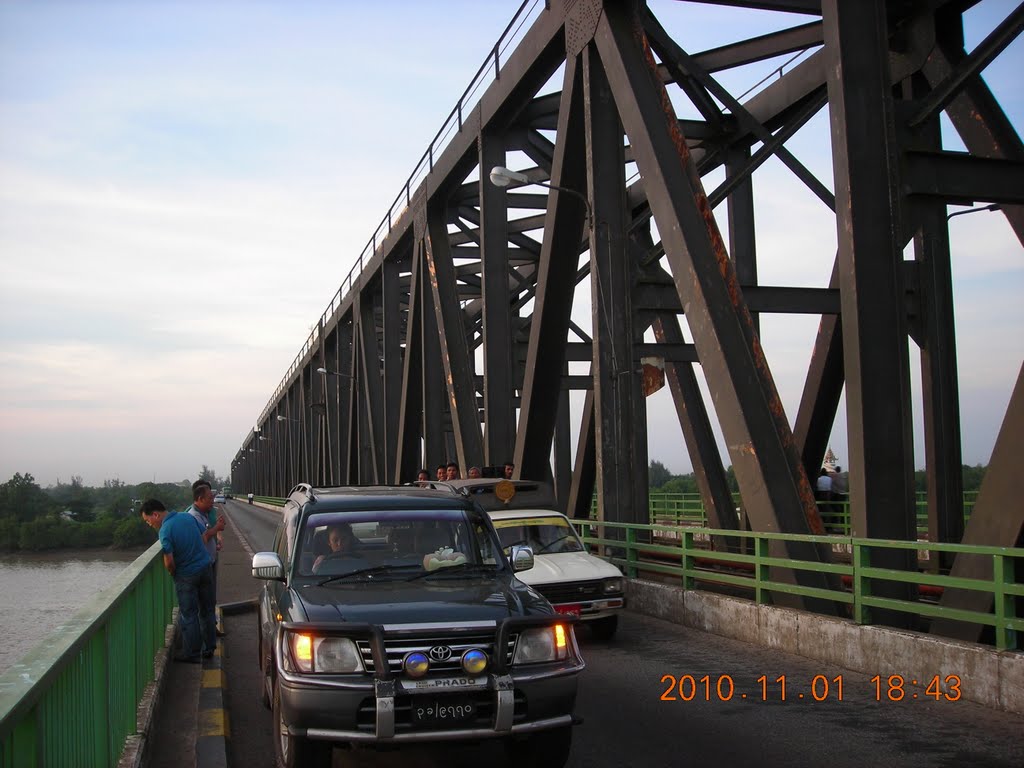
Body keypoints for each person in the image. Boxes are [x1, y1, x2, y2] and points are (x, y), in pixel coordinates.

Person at [140, 498, 222, 662]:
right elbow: (203, 535)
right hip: (205, 568)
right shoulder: (187, 517)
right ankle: (210, 648)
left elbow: (169, 561)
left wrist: (173, 573)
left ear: (155, 515)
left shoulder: (165, 531)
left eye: (148, 521)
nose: (150, 525)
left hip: (186, 575)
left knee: (189, 614)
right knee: (206, 610)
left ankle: (192, 653)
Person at [188, 482, 223, 619]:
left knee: (210, 601)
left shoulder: (204, 514)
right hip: (202, 567)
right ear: (200, 499)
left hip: (209, 562)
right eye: (210, 498)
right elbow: (202, 538)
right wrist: (217, 528)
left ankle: (211, 629)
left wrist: (217, 537)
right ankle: (208, 633)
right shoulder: (194, 516)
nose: (212, 501)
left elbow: (209, 534)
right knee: (205, 604)